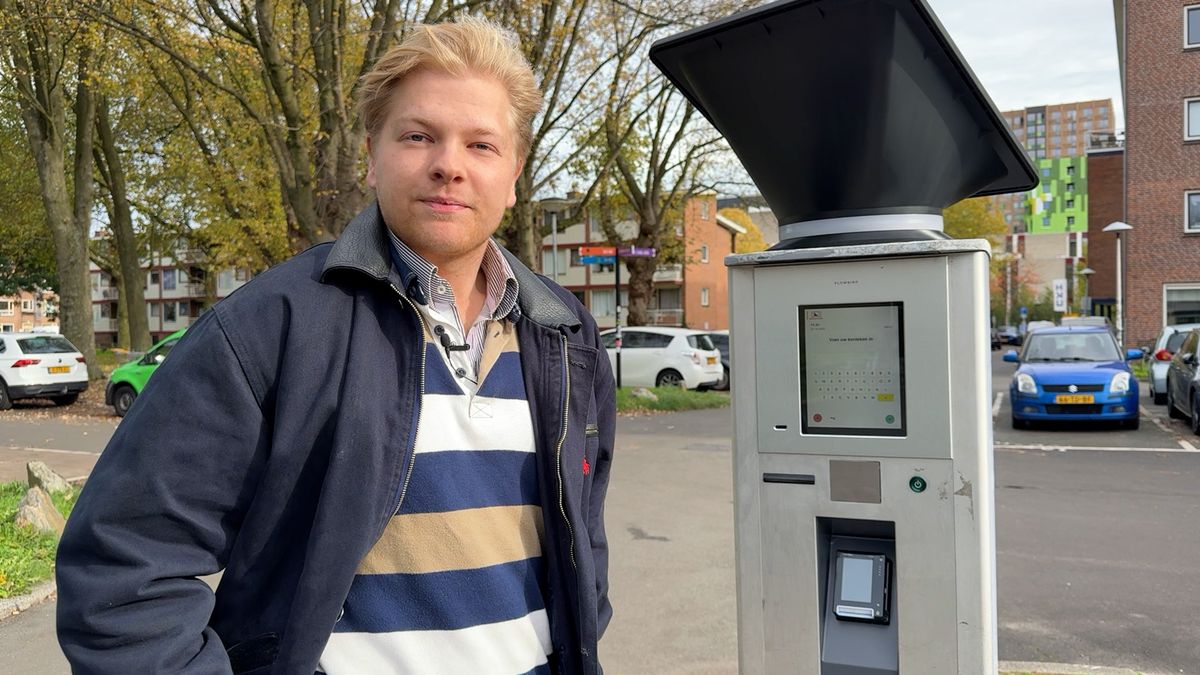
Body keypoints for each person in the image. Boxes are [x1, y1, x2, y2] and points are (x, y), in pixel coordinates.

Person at [55, 17, 615, 675]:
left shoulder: (566, 334)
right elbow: (124, 567)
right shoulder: (268, 328)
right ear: (372, 155)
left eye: (482, 145)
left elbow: (585, 542)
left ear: (515, 173)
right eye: (418, 136)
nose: (449, 165)